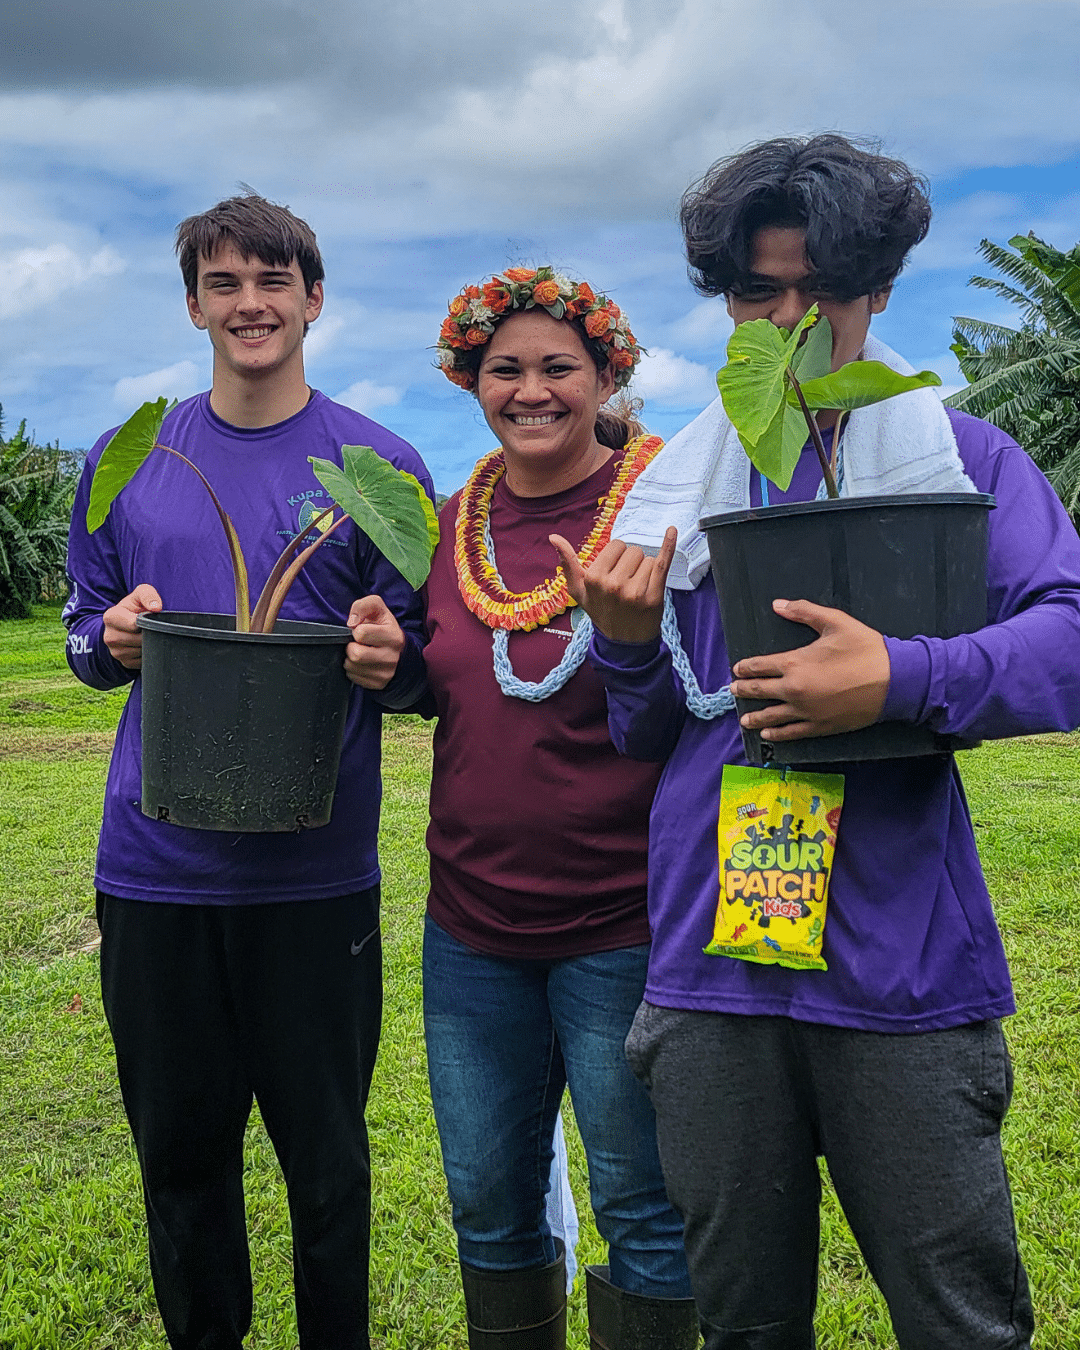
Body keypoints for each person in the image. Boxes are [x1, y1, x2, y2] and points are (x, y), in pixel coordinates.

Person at [552, 135, 1080, 1350]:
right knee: (743, 1317)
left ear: (880, 287)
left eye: (820, 290)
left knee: (959, 1316)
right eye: (755, 293)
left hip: (900, 964)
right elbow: (646, 731)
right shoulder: (678, 495)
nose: (786, 322)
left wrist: (900, 675)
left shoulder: (959, 463)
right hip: (712, 968)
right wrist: (629, 643)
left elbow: (1065, 640)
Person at [63, 192, 433, 1350]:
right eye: (224, 285)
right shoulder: (133, 459)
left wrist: (392, 659)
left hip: (315, 881)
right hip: (156, 872)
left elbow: (429, 665)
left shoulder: (378, 462)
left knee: (328, 1169)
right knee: (179, 1164)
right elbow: (82, 633)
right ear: (193, 306)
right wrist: (109, 640)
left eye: (273, 282)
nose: (250, 304)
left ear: (312, 299)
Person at [421, 268, 698, 1349]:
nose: (530, 391)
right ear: (470, 380)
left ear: (607, 374)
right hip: (470, 930)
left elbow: (702, 709)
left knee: (644, 1211)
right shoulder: (450, 526)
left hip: (626, 927)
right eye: (505, 370)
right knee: (488, 1206)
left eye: (557, 368)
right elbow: (425, 677)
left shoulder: (669, 509)